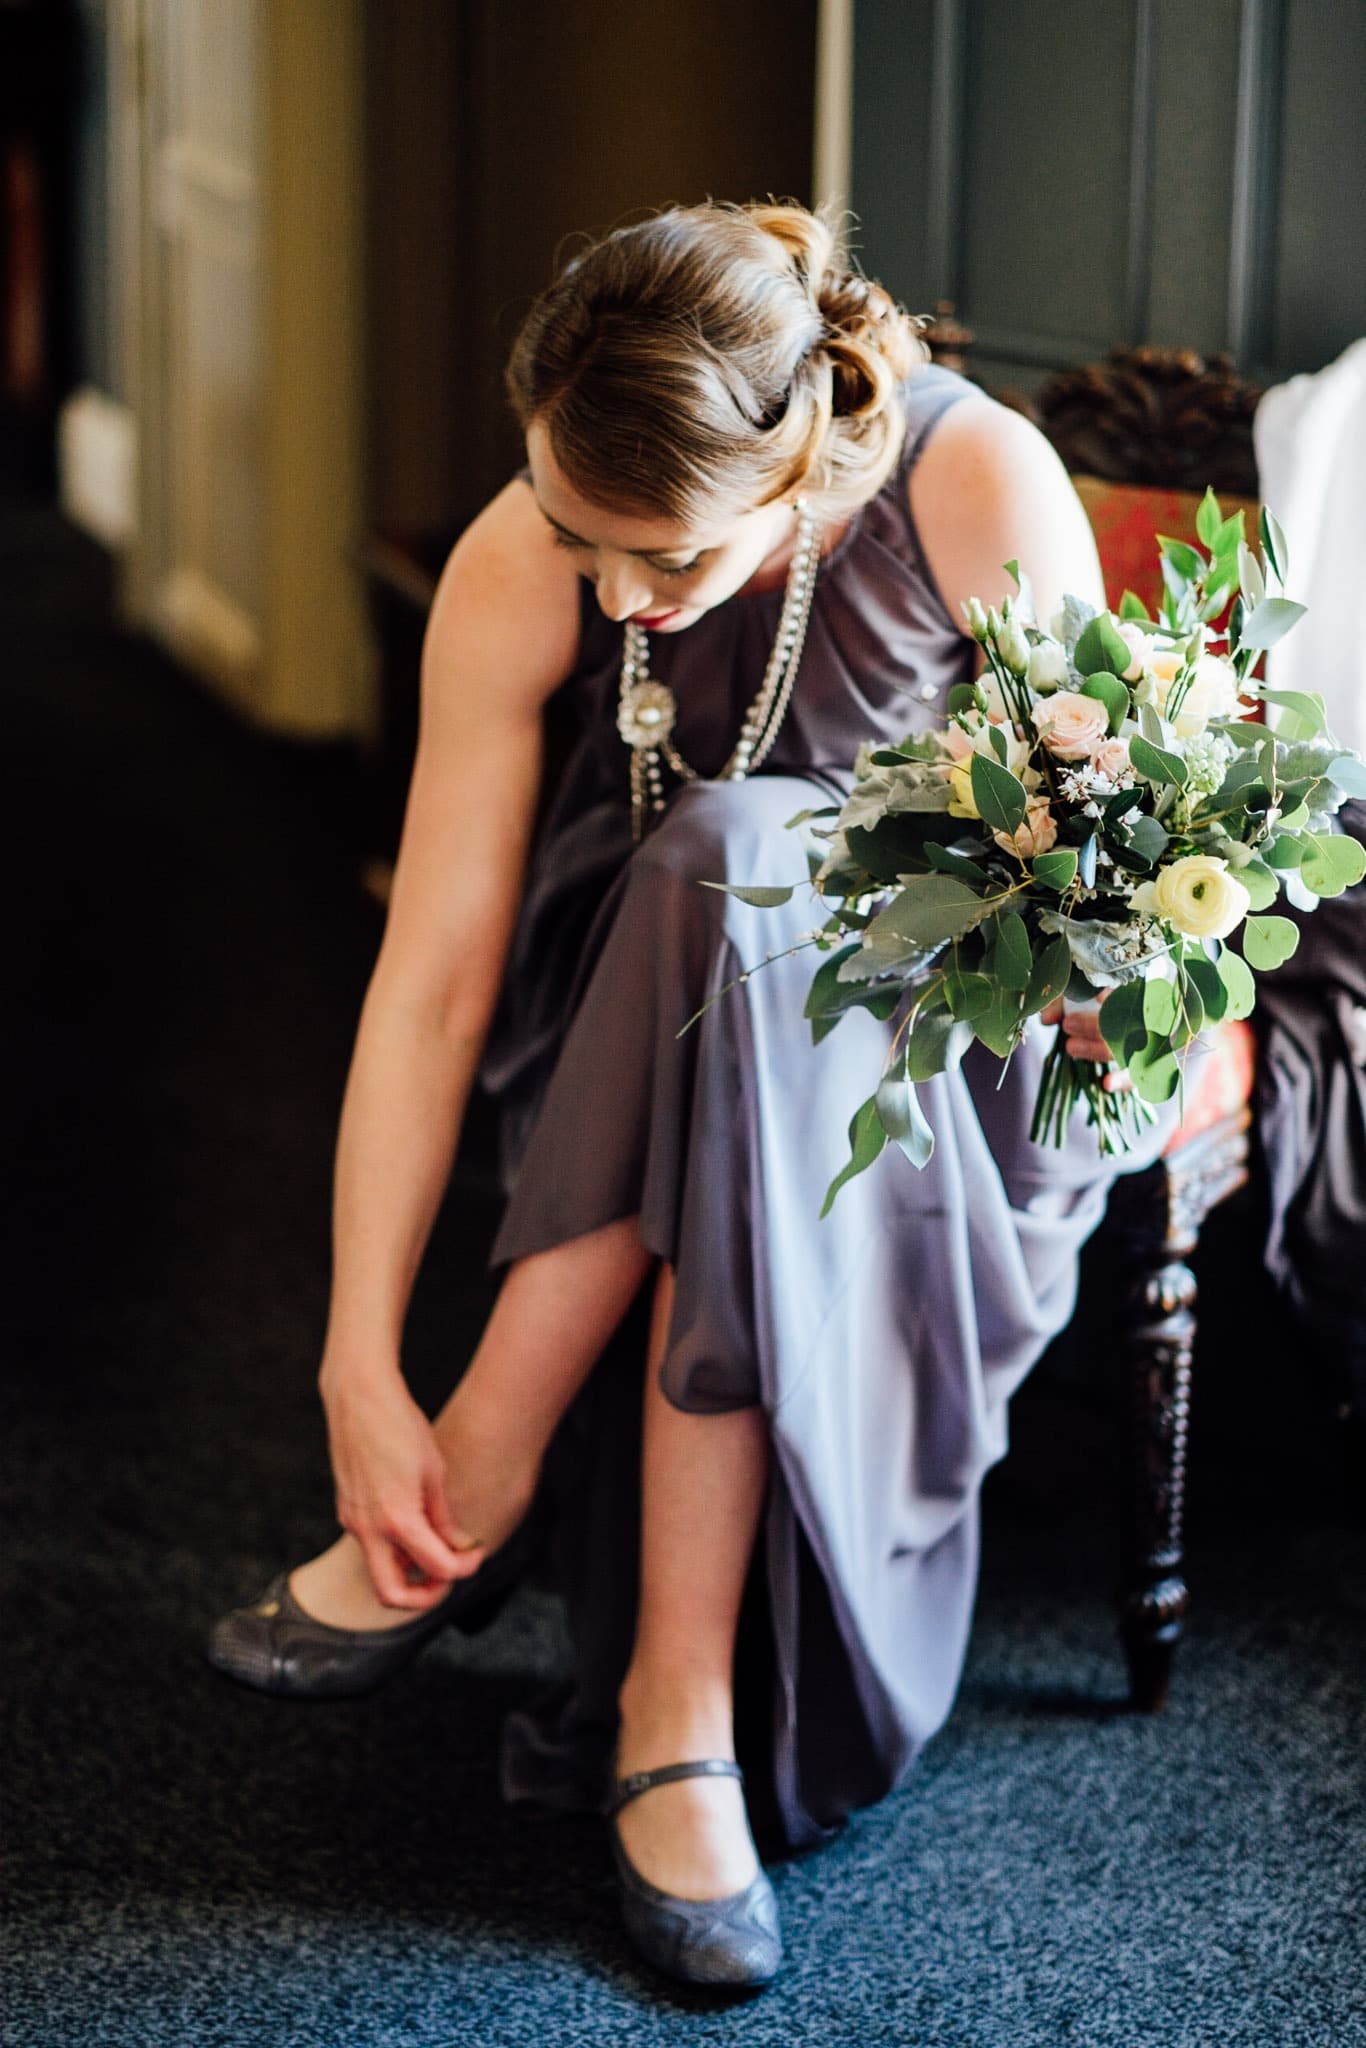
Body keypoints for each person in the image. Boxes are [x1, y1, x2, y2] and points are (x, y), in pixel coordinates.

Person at [207, 199, 1165, 1992]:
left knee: (746, 862)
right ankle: (677, 1727)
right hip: (613, 1061)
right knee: (717, 903)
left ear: (798, 469)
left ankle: (479, 1484)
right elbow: (428, 981)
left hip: (926, 1082)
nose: (608, 597)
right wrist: (348, 1347)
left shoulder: (979, 488)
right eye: (579, 537)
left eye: (657, 560)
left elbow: (1086, 913)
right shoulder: (527, 547)